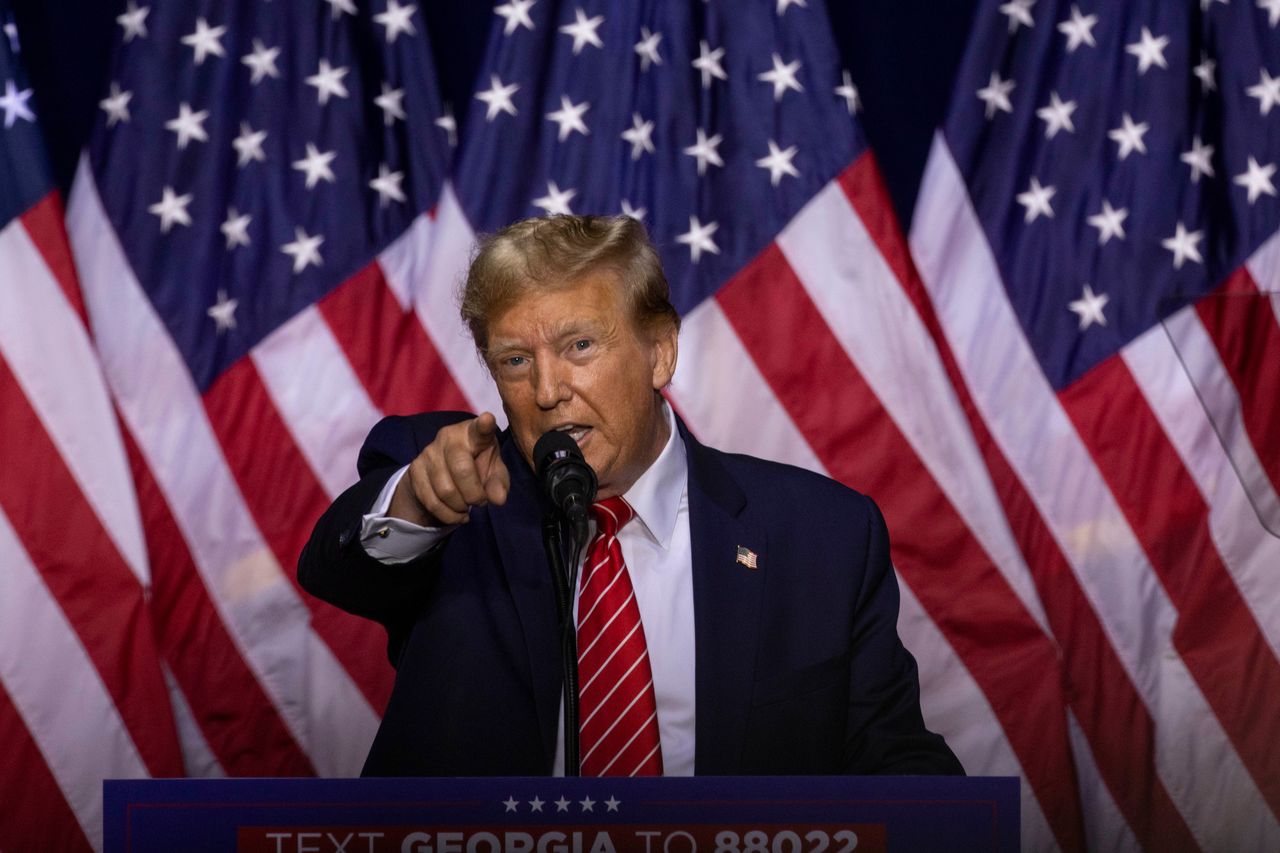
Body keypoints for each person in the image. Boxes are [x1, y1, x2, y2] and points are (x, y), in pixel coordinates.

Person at [298, 214, 962, 777]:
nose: (548, 390)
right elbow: (335, 570)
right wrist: (418, 497)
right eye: (515, 361)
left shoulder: (820, 535)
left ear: (660, 351)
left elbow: (892, 763)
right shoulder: (460, 494)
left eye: (579, 344)